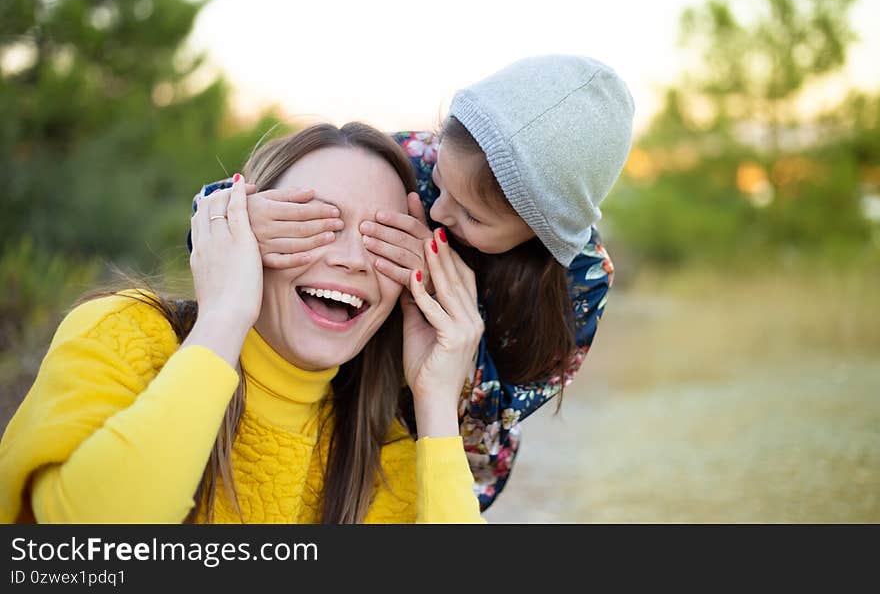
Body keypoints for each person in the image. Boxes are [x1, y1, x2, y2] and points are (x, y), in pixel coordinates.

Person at [192, 55, 634, 507]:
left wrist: (454, 325)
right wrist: (248, 218)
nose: (440, 211)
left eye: (472, 216)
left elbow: (489, 428)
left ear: (541, 233)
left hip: (442, 449)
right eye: (440, 183)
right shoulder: (414, 158)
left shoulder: (579, 285)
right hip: (343, 382)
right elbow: (213, 212)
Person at [0, 123, 485, 524]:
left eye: (383, 239)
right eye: (319, 224)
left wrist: (436, 401)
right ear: (247, 229)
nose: (352, 259)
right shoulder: (123, 332)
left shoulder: (386, 460)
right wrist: (225, 314)